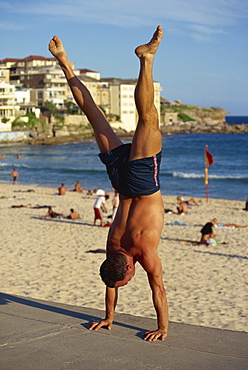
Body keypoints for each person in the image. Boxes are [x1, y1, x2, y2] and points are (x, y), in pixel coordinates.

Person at [49, 25, 168, 342]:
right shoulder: (111, 248)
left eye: (127, 280)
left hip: (142, 185)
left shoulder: (142, 251)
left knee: (147, 118)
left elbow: (159, 289)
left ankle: (147, 59)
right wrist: (108, 317)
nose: (126, 282)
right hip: (120, 180)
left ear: (129, 269)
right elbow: (111, 285)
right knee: (91, 112)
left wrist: (163, 328)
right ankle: (64, 61)